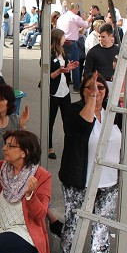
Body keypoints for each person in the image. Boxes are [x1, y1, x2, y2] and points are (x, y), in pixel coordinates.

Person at [58, 73, 121, 253]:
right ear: (82, 91)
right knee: (74, 225)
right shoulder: (73, 110)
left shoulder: (112, 112)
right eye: (90, 87)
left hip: (109, 180)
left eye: (101, 88)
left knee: (102, 226)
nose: (96, 90)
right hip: (79, 180)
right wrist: (92, 99)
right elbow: (83, 126)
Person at [47, 29, 79, 160]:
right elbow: (47, 76)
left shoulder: (62, 52)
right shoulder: (48, 54)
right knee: (50, 121)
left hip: (64, 91)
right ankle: (49, 148)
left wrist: (68, 68)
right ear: (57, 38)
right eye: (63, 37)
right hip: (53, 92)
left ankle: (70, 147)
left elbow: (63, 70)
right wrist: (59, 71)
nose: (65, 39)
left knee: (68, 120)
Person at [58, 2, 88, 88]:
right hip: (71, 43)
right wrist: (88, 18)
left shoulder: (62, 17)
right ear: (74, 8)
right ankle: (77, 86)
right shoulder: (75, 17)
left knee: (63, 63)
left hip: (61, 42)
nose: (78, 11)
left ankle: (65, 82)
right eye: (77, 9)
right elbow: (86, 25)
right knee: (75, 64)